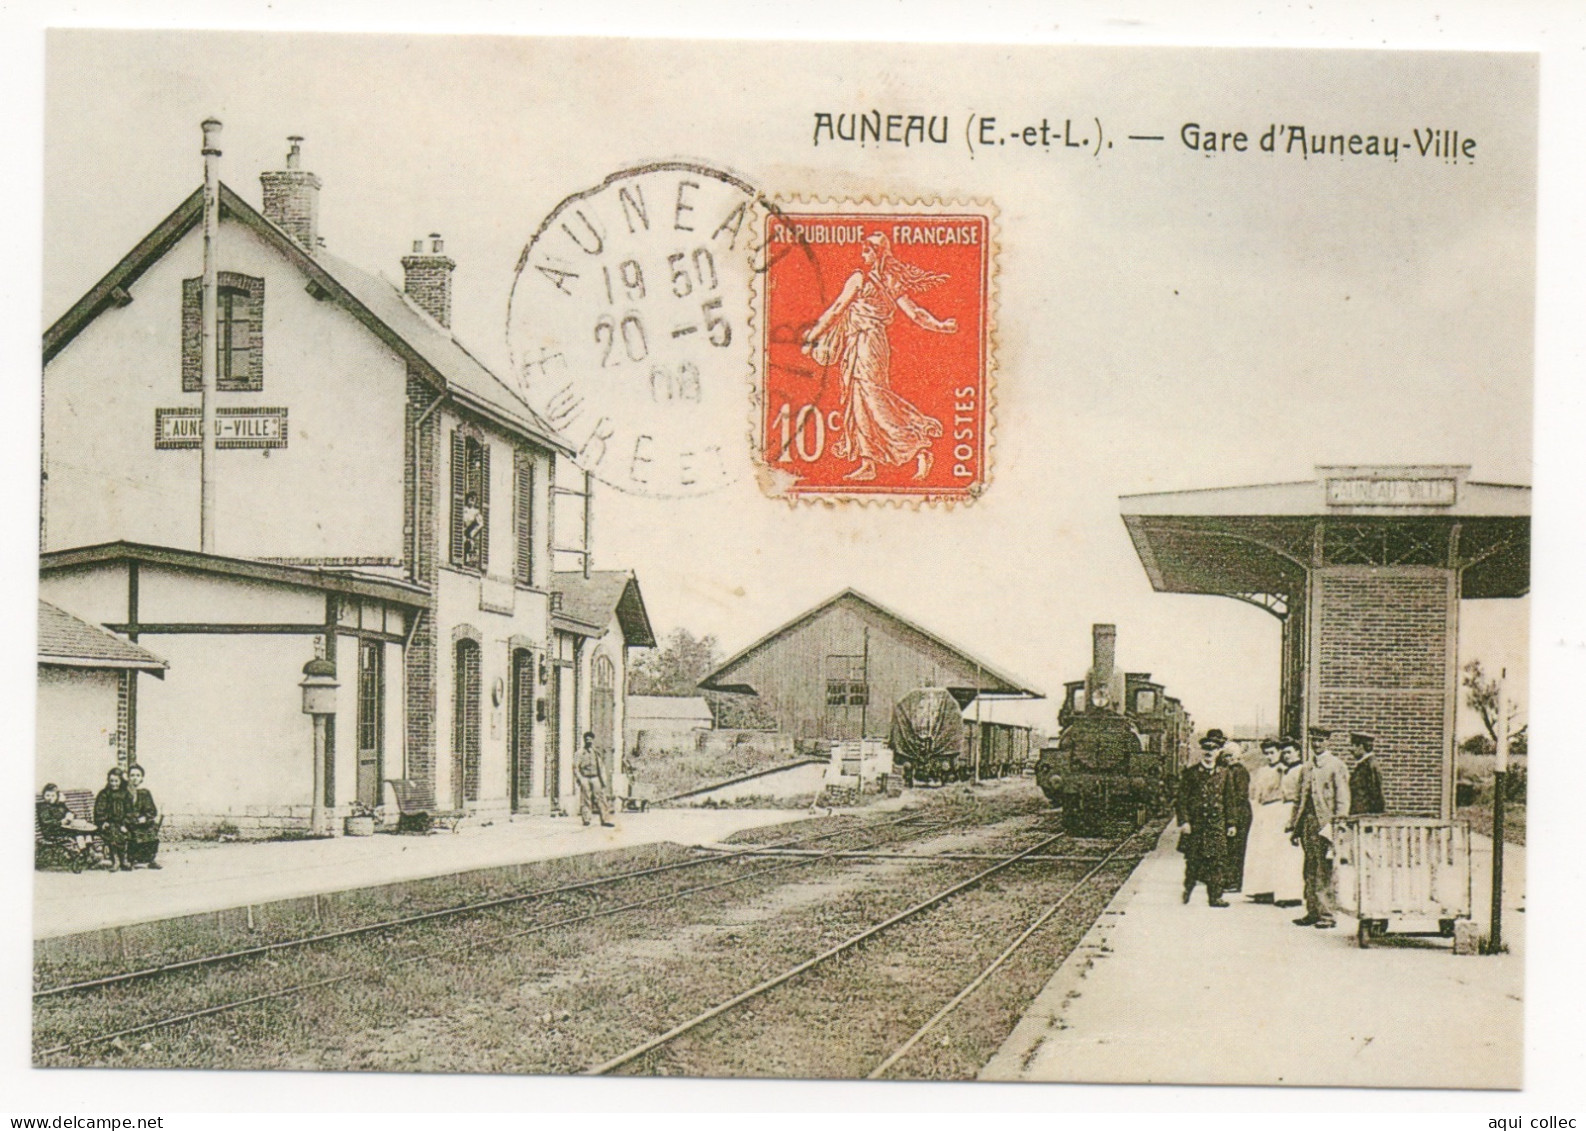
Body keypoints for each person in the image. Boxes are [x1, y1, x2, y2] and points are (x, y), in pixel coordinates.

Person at [801, 231, 955, 482]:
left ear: (875, 253)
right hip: (870, 343)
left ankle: (917, 447)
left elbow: (838, 309)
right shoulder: (892, 281)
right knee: (861, 399)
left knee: (872, 398)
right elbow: (916, 313)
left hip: (865, 343)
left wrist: (813, 335)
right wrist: (940, 325)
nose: (862, 255)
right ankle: (868, 463)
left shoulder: (859, 279)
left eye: (866, 250)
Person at [1289, 726, 1351, 928]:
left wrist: (1339, 825)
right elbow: (1300, 799)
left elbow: (1343, 799)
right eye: (1313, 740)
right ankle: (1312, 911)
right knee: (1309, 867)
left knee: (1323, 869)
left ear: (1328, 742)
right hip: (1308, 823)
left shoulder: (1336, 766)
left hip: (1326, 824)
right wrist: (1294, 826)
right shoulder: (1307, 768)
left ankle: (1327, 914)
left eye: (1320, 741)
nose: (1316, 744)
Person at [1175, 730, 1234, 907]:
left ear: (1218, 753)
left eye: (1213, 749)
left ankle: (1215, 897)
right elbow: (1182, 800)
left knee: (1217, 862)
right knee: (1193, 861)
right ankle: (1188, 889)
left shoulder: (1224, 774)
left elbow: (1229, 800)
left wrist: (1231, 823)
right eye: (1206, 749)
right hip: (1196, 824)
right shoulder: (1191, 773)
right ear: (1201, 751)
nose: (1209, 753)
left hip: (1216, 824)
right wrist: (1184, 821)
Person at [1241, 740, 1286, 903]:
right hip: (1264, 811)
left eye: (1272, 752)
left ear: (1279, 752)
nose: (1269, 756)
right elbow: (1256, 792)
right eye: (1266, 753)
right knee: (1260, 849)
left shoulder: (1284, 770)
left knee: (1275, 850)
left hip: (1279, 811)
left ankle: (1275, 889)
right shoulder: (1262, 771)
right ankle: (1260, 889)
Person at [1273, 737, 1307, 907]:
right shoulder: (1286, 770)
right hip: (1283, 810)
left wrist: (1294, 820)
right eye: (1284, 752)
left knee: (1293, 855)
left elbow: (1301, 797)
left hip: (1293, 812)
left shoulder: (1301, 770)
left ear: (1297, 753)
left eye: (1289, 752)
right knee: (1283, 855)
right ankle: (1283, 893)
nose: (1286, 755)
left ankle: (1293, 895)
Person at [1219, 742, 1253, 893]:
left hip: (1239, 812)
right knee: (1230, 847)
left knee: (1236, 848)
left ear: (1238, 756)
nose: (1229, 759)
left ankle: (1234, 882)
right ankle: (1228, 879)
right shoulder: (1228, 770)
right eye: (1226, 756)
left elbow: (1240, 795)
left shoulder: (1239, 771)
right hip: (1232, 811)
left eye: (1231, 755)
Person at [93, 766, 132, 871]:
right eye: (111, 781)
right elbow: (99, 810)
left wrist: (125, 823)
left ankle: (124, 859)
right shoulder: (104, 794)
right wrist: (103, 821)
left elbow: (129, 811)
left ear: (120, 781)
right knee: (114, 833)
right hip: (108, 823)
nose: (113, 783)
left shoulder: (126, 794)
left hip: (123, 823)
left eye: (116, 781)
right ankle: (116, 860)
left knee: (124, 832)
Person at [125, 764, 162, 869]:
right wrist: (132, 818)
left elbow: (152, 810)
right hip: (129, 822)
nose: (135, 778)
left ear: (142, 778)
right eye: (132, 775)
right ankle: (131, 859)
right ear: (128, 777)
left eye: (138, 775)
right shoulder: (124, 793)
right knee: (133, 834)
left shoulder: (145, 793)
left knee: (150, 832)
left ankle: (150, 859)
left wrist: (145, 817)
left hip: (143, 822)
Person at [576, 731, 613, 828]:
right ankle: (586, 819)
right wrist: (580, 779)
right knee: (586, 799)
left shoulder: (596, 753)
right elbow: (575, 767)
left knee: (601, 799)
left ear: (593, 740)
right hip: (585, 778)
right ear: (584, 740)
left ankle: (605, 819)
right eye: (586, 739)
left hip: (595, 777)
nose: (588, 741)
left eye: (590, 739)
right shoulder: (580, 753)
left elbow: (601, 766)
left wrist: (603, 780)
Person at [1348, 732, 1387, 816]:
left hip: (1365, 818)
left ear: (1361, 746)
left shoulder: (1370, 766)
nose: (1350, 749)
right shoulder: (1364, 765)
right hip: (1359, 816)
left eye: (1353, 745)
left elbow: (1376, 794)